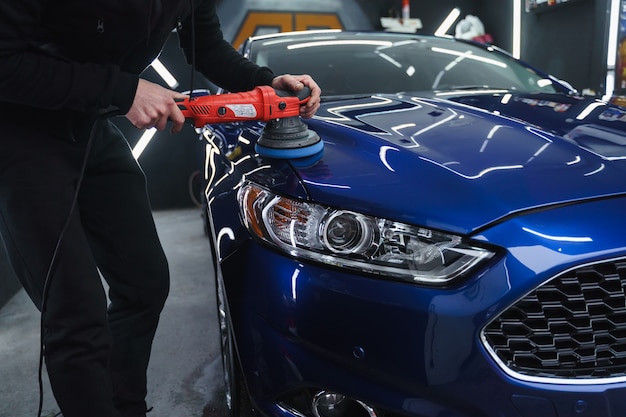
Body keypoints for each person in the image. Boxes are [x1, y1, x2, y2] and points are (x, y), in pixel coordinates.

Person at [0, 1, 321, 417]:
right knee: (75, 313)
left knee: (145, 283)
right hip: (20, 132)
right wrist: (124, 90)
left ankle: (123, 405)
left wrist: (266, 82)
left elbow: (206, 48)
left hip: (89, 124)